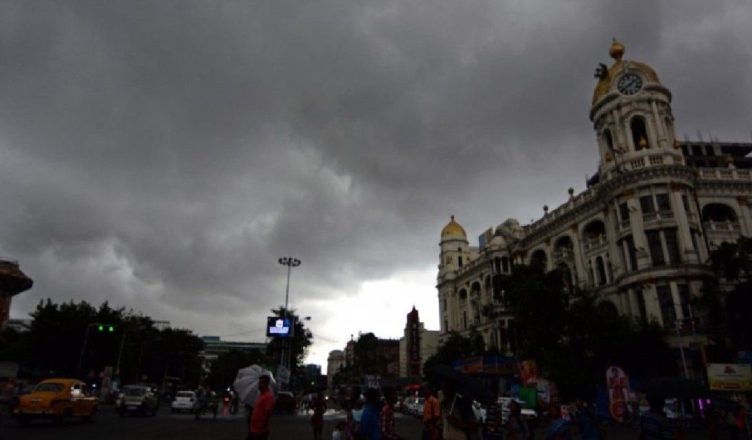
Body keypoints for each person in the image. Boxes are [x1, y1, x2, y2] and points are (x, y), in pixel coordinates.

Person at [248, 375, 275, 440]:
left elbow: (268, 413)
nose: (260, 385)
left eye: (262, 383)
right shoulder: (261, 395)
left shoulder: (268, 396)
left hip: (260, 430)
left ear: (267, 384)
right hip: (254, 428)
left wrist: (262, 428)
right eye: (260, 383)